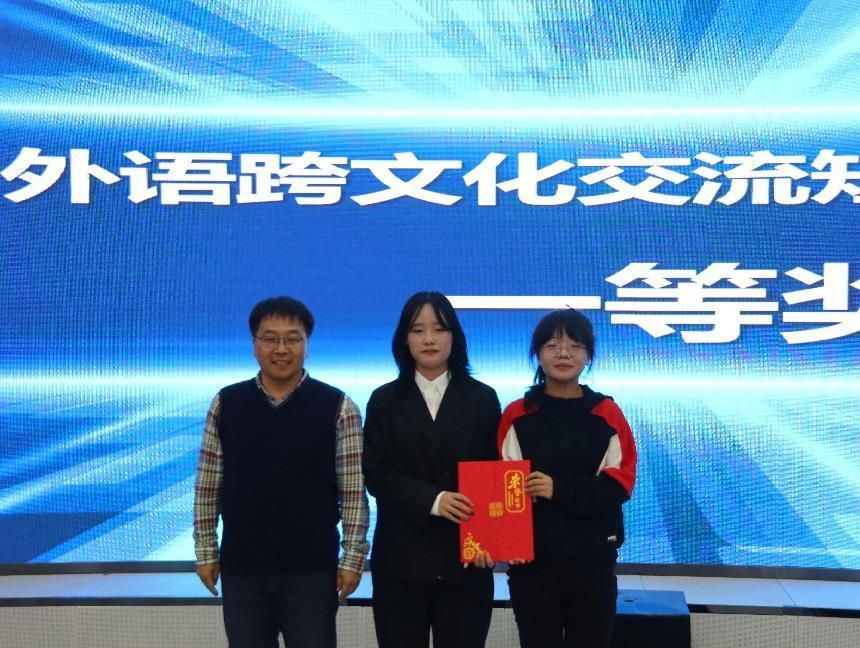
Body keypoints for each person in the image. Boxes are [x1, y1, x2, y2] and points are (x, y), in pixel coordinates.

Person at [193, 296, 370, 648]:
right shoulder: (226, 403)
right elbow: (208, 485)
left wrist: (352, 558)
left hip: (312, 570)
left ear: (307, 344)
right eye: (270, 338)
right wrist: (206, 551)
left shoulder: (339, 407)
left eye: (292, 339)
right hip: (243, 568)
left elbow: (353, 492)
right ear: (254, 344)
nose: (281, 349)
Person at [362, 291, 501, 648]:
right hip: (401, 561)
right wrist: (434, 500)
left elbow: (496, 475)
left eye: (439, 329)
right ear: (404, 339)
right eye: (417, 330)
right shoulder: (383, 400)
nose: (428, 339)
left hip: (466, 559)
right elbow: (376, 474)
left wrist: (491, 538)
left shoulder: (483, 398)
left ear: (454, 337)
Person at [498, 309, 637, 648]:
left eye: (575, 346)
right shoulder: (517, 414)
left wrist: (557, 489)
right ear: (538, 353)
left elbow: (619, 485)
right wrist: (509, 543)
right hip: (533, 569)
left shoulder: (607, 413)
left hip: (593, 564)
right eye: (552, 345)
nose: (563, 353)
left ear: (588, 355)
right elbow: (503, 487)